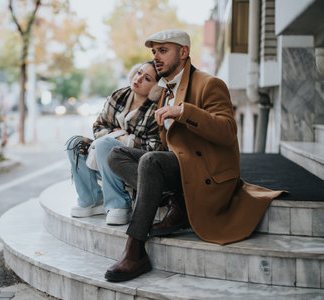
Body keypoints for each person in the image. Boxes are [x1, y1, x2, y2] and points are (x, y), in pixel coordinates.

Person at [104, 29, 285, 282]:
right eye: (154, 51)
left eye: (163, 51)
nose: (156, 57)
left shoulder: (209, 84)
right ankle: (175, 199)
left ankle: (135, 250)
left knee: (151, 160)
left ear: (184, 52)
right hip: (182, 168)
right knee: (116, 154)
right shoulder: (164, 92)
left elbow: (228, 131)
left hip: (206, 172)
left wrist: (183, 112)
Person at [66, 60, 163, 225]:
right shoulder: (119, 95)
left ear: (156, 88)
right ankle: (92, 199)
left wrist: (122, 140)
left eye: (147, 78)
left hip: (132, 165)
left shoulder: (156, 109)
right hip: (104, 158)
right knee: (75, 143)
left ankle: (120, 204)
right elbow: (98, 126)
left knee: (105, 145)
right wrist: (118, 136)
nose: (138, 79)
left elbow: (153, 146)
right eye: (139, 73)